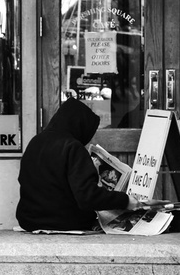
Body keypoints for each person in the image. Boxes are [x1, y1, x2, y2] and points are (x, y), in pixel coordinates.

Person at [16, 98, 149, 231]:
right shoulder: (72, 147)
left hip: (28, 220)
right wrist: (125, 201)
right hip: (63, 222)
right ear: (80, 127)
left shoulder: (36, 141)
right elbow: (88, 197)